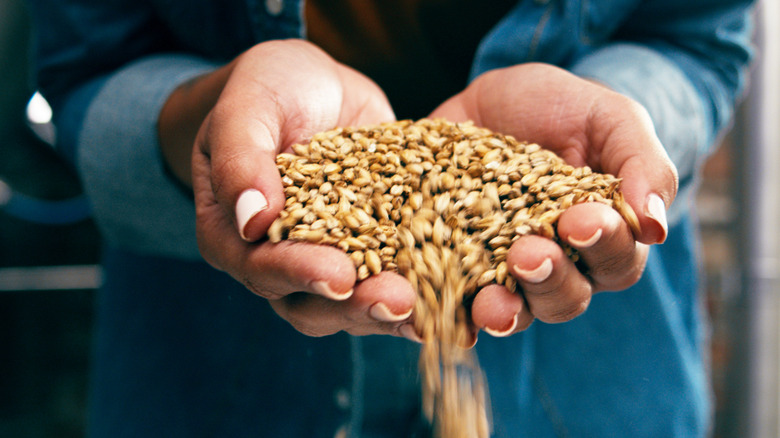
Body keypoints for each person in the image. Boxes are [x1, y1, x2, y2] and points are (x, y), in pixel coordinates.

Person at [27, 0, 754, 436]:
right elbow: (84, 73)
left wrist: (604, 139)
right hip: (216, 373)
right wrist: (212, 122)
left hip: (591, 374)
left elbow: (697, 38)